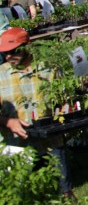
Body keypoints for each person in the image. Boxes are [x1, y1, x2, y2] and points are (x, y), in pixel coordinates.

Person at [0, 28, 72, 193]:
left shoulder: (48, 68)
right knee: (27, 196)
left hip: (51, 143)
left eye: (12, 51)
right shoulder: (1, 75)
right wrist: (8, 121)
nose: (8, 56)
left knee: (63, 191)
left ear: (27, 46)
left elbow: (64, 100)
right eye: (5, 53)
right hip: (19, 146)